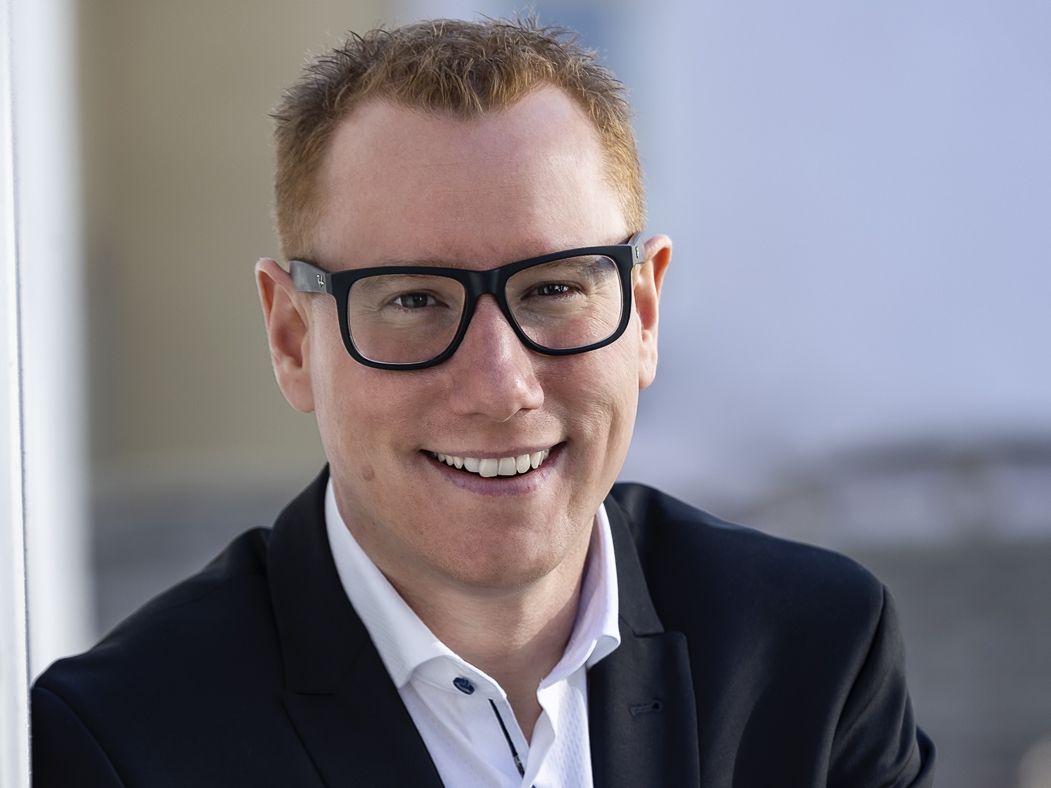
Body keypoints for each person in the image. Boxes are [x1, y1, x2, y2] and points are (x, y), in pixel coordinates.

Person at [31, 17, 934, 788]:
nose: (501, 387)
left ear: (643, 313)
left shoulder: (815, 653)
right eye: (414, 300)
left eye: (554, 289)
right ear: (292, 339)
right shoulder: (117, 744)